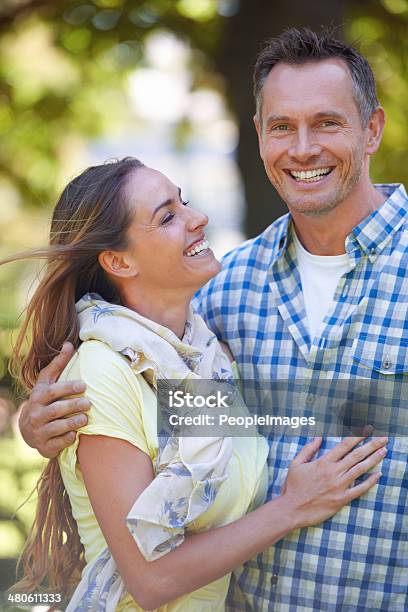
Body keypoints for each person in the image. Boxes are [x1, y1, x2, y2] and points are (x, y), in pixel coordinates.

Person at [17, 27, 407, 610]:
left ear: (371, 130)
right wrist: (39, 426)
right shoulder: (222, 298)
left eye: (327, 123)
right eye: (282, 127)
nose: (303, 148)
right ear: (259, 135)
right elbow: (142, 417)